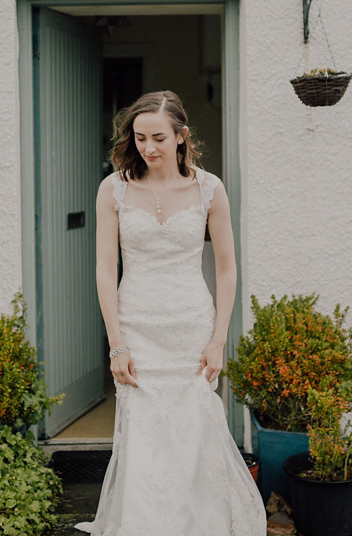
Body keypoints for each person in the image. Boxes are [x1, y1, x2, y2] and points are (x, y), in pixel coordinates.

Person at [76, 91, 266, 536]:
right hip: (136, 327)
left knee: (193, 433)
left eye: (158, 137)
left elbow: (227, 267)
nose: (148, 148)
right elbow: (105, 270)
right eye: (140, 138)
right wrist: (115, 343)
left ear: (181, 136)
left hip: (191, 327)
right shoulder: (114, 188)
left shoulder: (209, 188)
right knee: (144, 435)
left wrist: (219, 338)